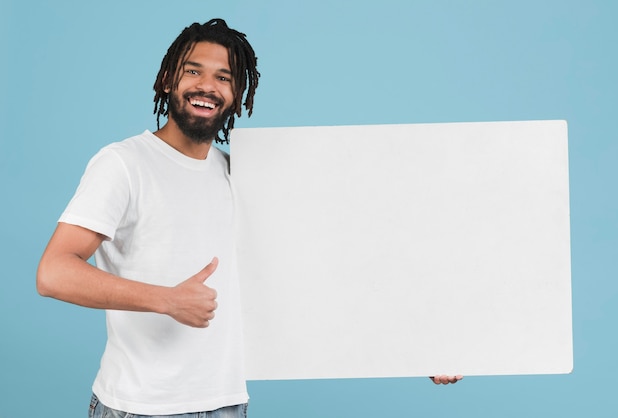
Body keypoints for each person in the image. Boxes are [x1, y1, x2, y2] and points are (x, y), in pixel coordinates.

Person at [37, 18, 460, 418]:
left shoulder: (236, 173)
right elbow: (53, 273)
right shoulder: (124, 164)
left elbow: (327, 268)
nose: (208, 86)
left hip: (227, 404)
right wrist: (166, 299)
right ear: (168, 79)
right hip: (141, 406)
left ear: (237, 94)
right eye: (193, 71)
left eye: (224, 77)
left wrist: (418, 346)